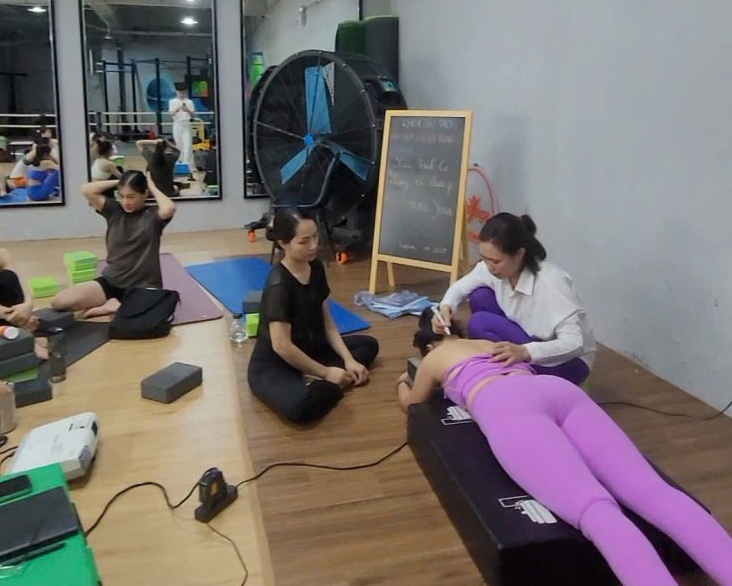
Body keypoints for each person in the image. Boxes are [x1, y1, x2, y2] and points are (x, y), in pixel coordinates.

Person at [397, 310, 732, 586]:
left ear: (427, 345)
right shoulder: (486, 342)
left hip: (506, 405)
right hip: (555, 389)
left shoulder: (434, 358)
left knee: (598, 512)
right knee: (655, 493)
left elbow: (413, 403)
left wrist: (402, 383)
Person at [248, 206, 379, 423]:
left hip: (312, 349)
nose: (313, 246)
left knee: (369, 345)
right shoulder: (278, 285)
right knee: (299, 409)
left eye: (315, 237)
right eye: (304, 241)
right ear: (283, 243)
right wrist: (326, 373)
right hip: (277, 364)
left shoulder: (316, 268)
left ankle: (318, 378)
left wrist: (348, 360)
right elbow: (282, 346)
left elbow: (328, 323)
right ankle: (325, 382)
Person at [434, 213, 594, 384]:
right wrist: (446, 308)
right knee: (480, 296)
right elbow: (460, 288)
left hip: (566, 362)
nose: (489, 267)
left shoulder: (551, 283)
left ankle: (512, 371)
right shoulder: (493, 269)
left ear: (519, 254)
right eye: (484, 259)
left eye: (496, 261)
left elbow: (574, 343)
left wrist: (524, 351)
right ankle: (507, 365)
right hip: (526, 337)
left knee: (480, 323)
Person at [52, 170, 176, 318]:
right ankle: (116, 304)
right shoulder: (113, 211)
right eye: (121, 196)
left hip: (144, 286)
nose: (125, 202)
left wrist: (152, 186)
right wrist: (121, 182)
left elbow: (169, 208)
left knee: (151, 314)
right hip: (112, 281)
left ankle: (115, 306)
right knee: (59, 302)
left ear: (144, 194)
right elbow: (86, 189)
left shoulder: (153, 216)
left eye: (131, 197)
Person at [0, 204, 37, 331]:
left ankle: (22, 329)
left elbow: (21, 284)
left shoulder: (0, 254)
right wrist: (13, 315)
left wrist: (27, 306)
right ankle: (22, 328)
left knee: (7, 277)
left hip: (4, 319)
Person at [168, 85, 196, 173]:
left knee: (187, 145)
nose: (181, 94)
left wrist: (187, 110)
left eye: (183, 92)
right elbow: (171, 113)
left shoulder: (189, 102)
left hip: (186, 123)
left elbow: (193, 115)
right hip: (177, 123)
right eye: (179, 92)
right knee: (179, 144)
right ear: (176, 92)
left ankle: (189, 166)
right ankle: (180, 165)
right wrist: (177, 109)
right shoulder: (172, 102)